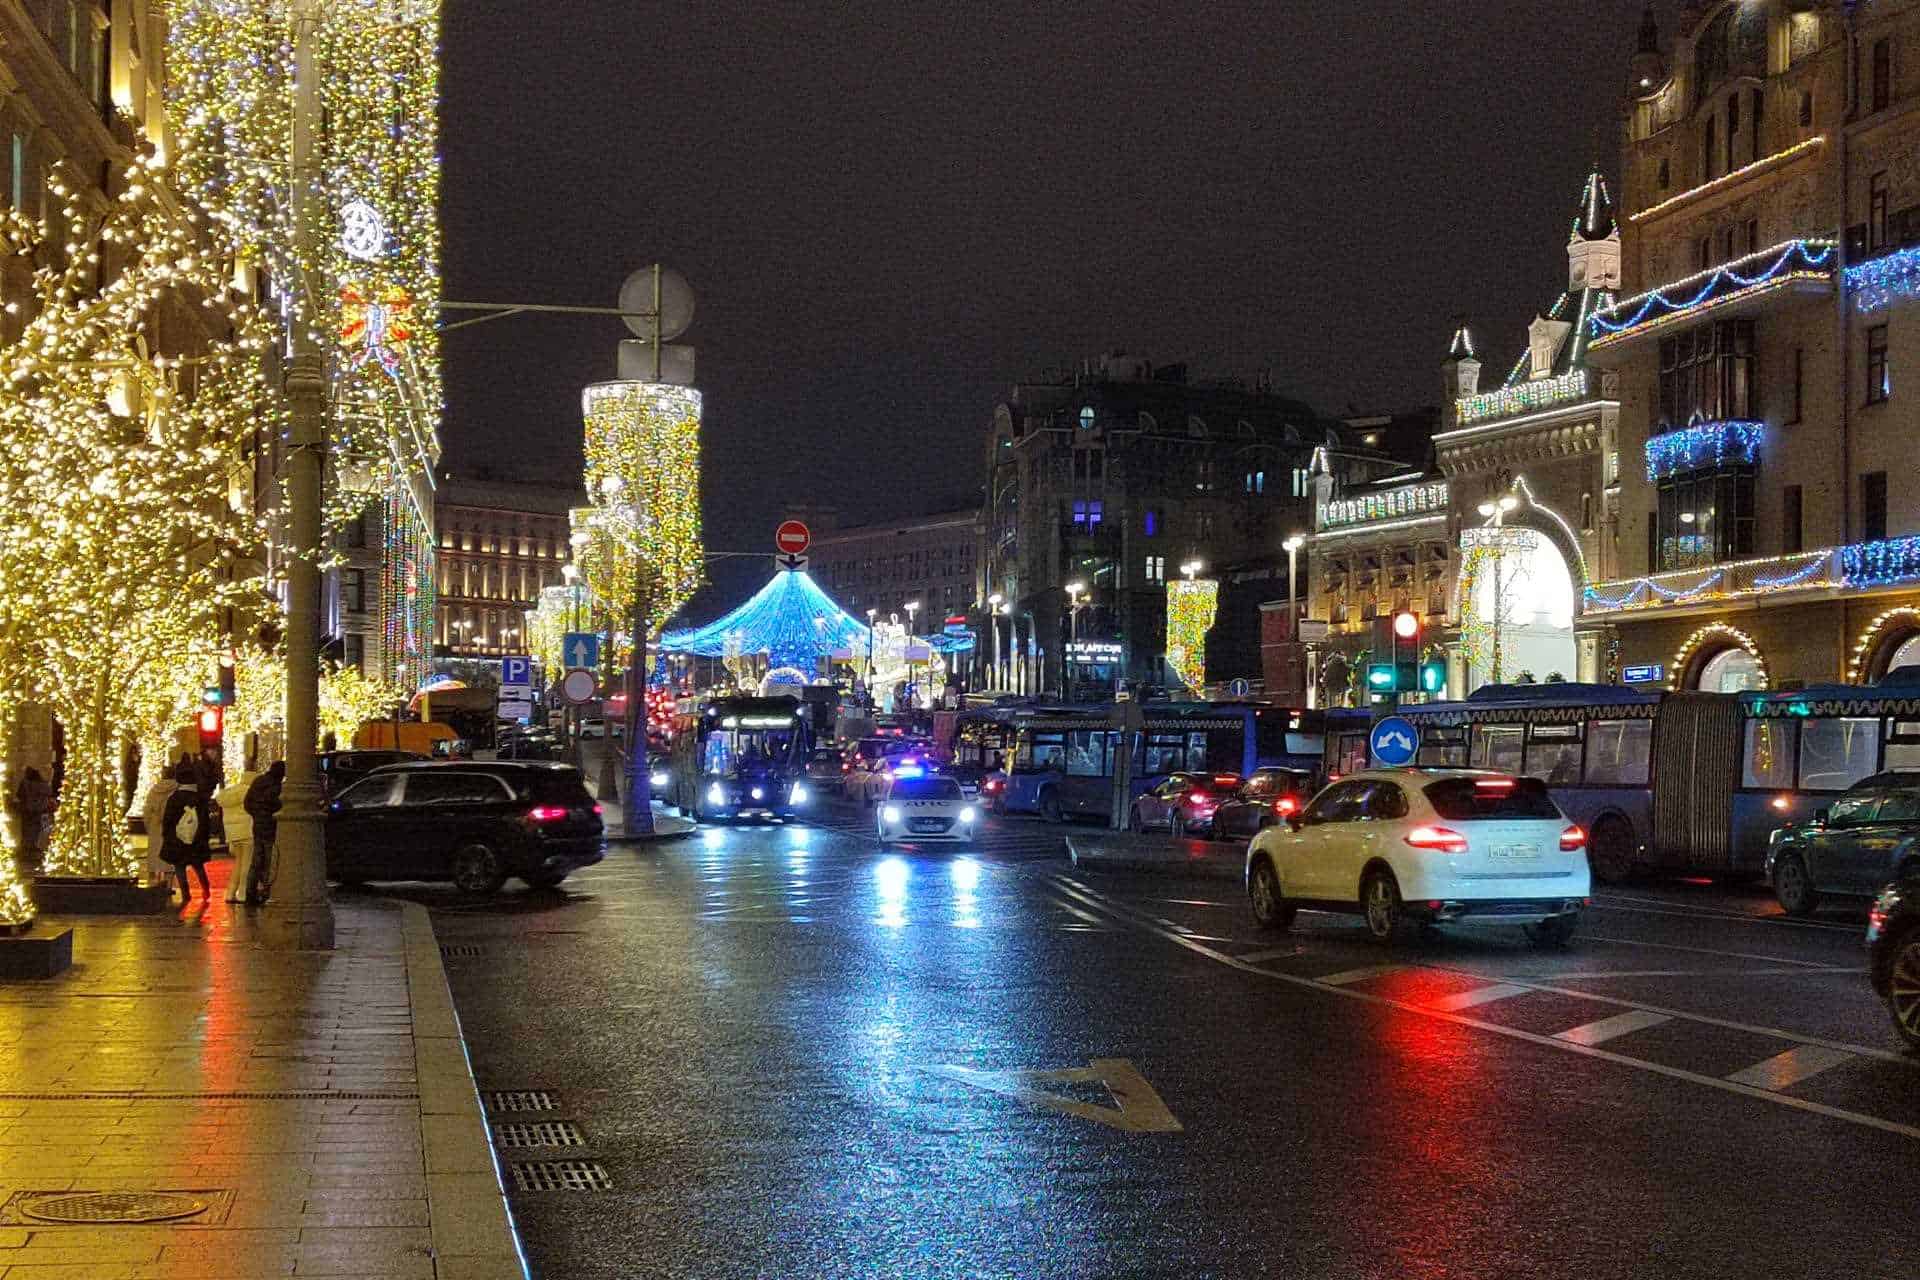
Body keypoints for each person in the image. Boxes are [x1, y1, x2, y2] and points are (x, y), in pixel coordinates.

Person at [242, 761, 285, 906]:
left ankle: (250, 893)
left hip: (258, 825)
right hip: (271, 826)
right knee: (268, 861)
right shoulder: (277, 787)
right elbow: (278, 805)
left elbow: (247, 803)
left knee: (256, 861)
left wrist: (256, 814)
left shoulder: (258, 781)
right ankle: (265, 892)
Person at [216, 766, 259, 905]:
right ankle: (242, 893)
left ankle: (230, 892)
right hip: (247, 831)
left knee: (238, 863)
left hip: (233, 833)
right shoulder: (251, 792)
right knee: (246, 864)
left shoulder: (231, 791)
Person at [11, 767, 52, 868]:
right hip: (39, 811)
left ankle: (26, 848)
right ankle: (33, 846)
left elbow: (19, 794)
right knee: (36, 829)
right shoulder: (44, 785)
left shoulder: (25, 783)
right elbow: (49, 793)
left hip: (27, 810)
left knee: (26, 829)